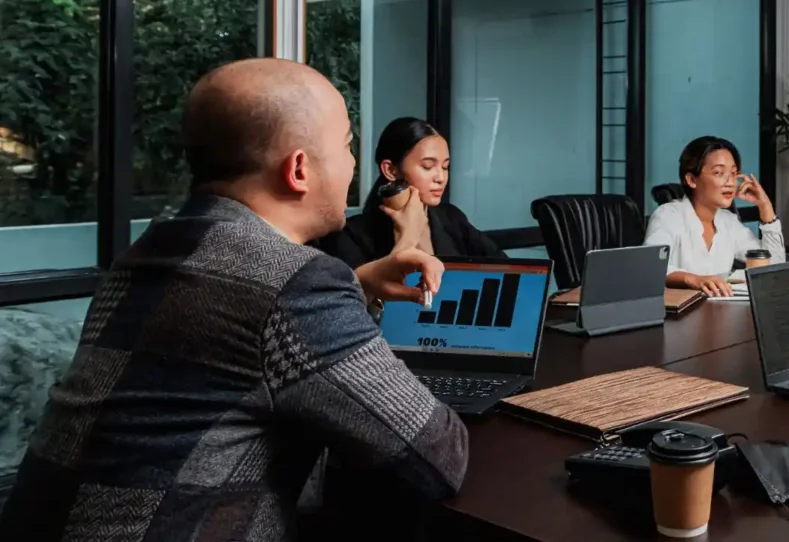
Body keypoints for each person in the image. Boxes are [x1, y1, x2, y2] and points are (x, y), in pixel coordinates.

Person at [0, 59, 467, 541]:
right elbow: (437, 455)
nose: (352, 165)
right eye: (347, 145)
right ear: (300, 169)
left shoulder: (146, 253)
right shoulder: (295, 282)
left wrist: (359, 284)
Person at [318, 116, 505, 267]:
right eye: (427, 166)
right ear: (391, 170)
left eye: (446, 167)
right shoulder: (350, 236)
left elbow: (505, 266)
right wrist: (408, 236)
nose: (440, 177)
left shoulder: (452, 218)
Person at [644, 136, 784, 297]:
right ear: (691, 179)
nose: (730, 182)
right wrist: (695, 280)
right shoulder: (668, 215)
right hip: (678, 315)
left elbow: (774, 265)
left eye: (733, 173)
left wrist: (765, 207)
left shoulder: (728, 221)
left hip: (720, 311)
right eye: (719, 173)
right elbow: (651, 267)